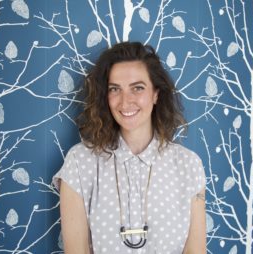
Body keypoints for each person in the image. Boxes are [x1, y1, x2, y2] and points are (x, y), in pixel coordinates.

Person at [53, 41, 206, 254]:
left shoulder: (189, 165)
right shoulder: (79, 163)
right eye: (115, 89)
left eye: (138, 88)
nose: (125, 101)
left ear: (156, 94)